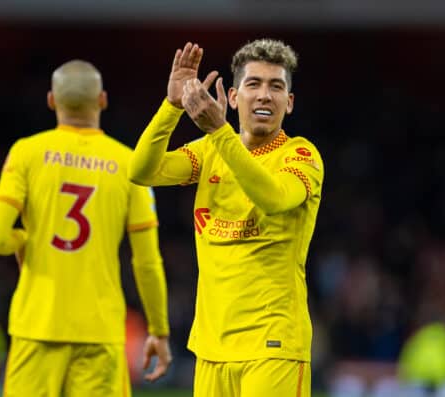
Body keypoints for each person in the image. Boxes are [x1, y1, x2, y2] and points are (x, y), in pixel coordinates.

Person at [129, 40, 324, 397]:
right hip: (211, 349)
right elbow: (143, 170)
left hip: (273, 347)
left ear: (289, 103)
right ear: (233, 97)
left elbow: (275, 197)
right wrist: (171, 106)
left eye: (276, 86)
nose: (264, 95)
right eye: (254, 84)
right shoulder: (209, 152)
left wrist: (219, 131)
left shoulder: (301, 155)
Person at [0, 60, 172, 397]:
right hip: (100, 331)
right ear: (102, 100)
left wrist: (24, 239)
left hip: (36, 327)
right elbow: (147, 261)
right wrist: (158, 329)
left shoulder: (26, 153)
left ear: (51, 101)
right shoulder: (130, 164)